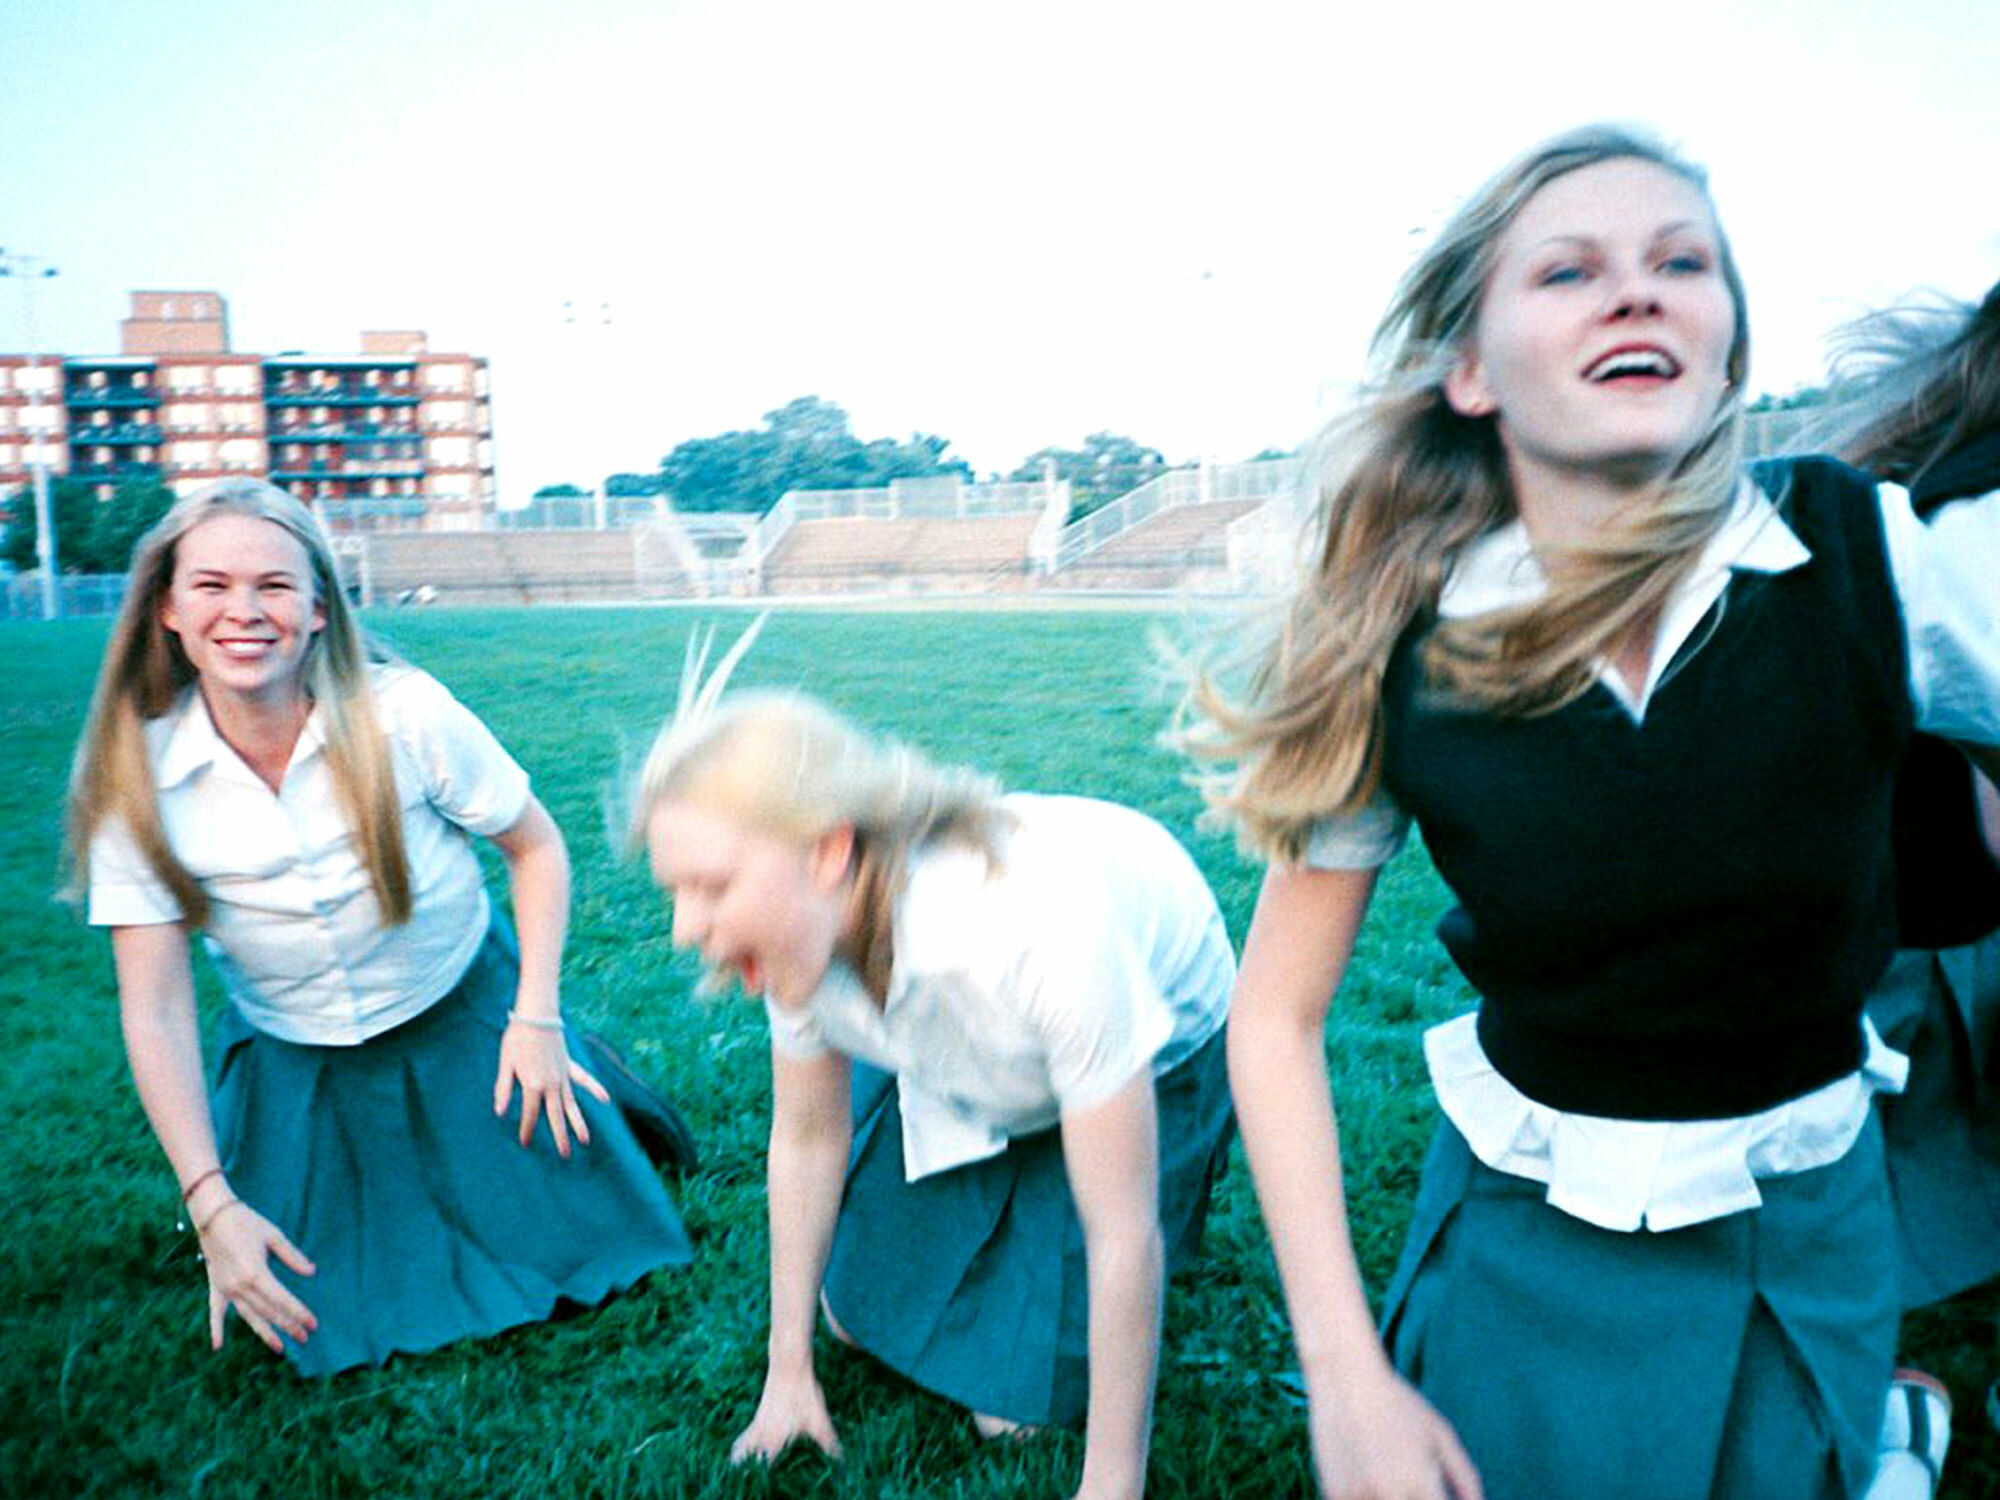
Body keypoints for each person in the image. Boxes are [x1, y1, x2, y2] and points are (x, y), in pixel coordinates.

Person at [1173, 126, 2000, 1499]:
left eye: (1683, 261)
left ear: (1729, 349)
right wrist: (1349, 1373)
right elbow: (1273, 1020)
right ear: (1472, 372)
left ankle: (1881, 1453)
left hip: (1802, 1221)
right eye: (1569, 271)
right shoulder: (1397, 642)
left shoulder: (1878, 560)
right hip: (1523, 1231)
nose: (1638, 290)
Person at [70, 478, 692, 1376]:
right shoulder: (139, 776)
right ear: (167, 608)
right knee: (312, 1311)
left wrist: (536, 1016)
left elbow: (538, 849)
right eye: (211, 586)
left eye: (274, 586)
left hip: (463, 1013)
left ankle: (576, 1070)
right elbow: (156, 1008)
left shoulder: (405, 714)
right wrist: (211, 1205)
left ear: (319, 607)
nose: (244, 611)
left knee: (596, 1242)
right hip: (302, 1059)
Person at [631, 630, 1234, 1500]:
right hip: (975, 1046)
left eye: (713, 886)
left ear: (829, 849)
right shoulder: (795, 939)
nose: (688, 929)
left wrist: (1112, 1486)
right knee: (851, 1317)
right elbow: (806, 1140)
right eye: (676, 891)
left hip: (1156, 1049)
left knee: (1017, 1418)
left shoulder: (1036, 931)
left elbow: (1121, 1232)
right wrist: (788, 1370)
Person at [1822, 281, 2000, 1497]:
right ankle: (1883, 1417)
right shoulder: (1972, 517)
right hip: (1922, 929)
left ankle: (1880, 1403)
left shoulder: (1930, 488)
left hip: (1888, 923)